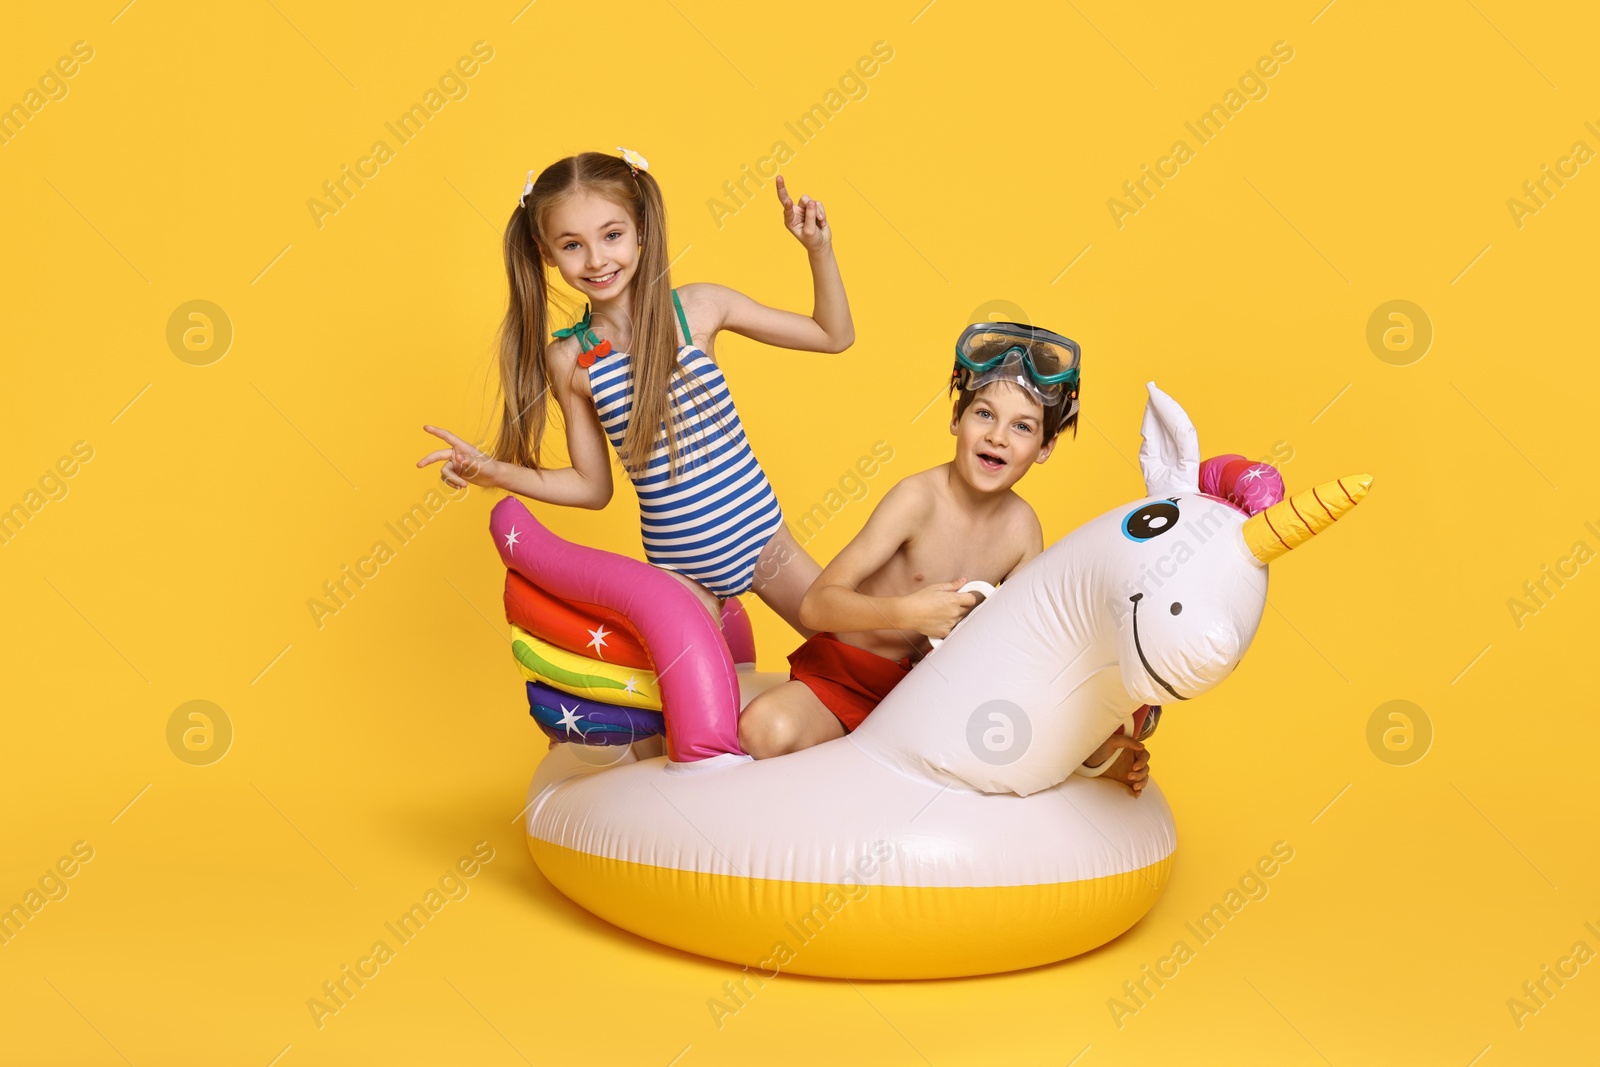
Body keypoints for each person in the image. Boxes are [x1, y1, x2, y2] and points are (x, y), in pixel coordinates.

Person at [417, 147, 851, 633]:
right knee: (694, 700)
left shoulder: (699, 309)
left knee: (851, 652)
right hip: (678, 570)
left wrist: (819, 250)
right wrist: (495, 471)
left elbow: (832, 336)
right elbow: (592, 487)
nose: (597, 259)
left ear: (641, 229)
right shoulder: (567, 360)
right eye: (572, 245)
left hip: (762, 540)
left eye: (612, 235)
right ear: (545, 253)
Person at [737, 320, 1151, 795]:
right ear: (957, 418)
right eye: (984, 414)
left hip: (927, 700)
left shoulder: (1022, 531)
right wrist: (907, 613)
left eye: (1022, 427)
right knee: (762, 730)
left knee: (1018, 732)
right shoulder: (917, 500)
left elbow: (1027, 650)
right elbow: (817, 606)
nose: (998, 437)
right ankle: (846, 761)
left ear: (1045, 447)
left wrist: (1095, 736)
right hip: (846, 681)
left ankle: (1098, 758)